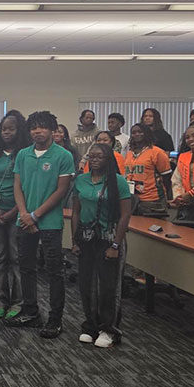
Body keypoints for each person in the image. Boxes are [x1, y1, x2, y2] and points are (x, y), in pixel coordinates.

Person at [6, 110, 74, 339]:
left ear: (53, 130)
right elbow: (17, 186)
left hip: (50, 222)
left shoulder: (63, 156)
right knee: (26, 267)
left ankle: (55, 319)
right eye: (34, 127)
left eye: (42, 127)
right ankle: (31, 311)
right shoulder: (24, 154)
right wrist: (25, 214)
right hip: (24, 220)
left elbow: (61, 190)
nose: (37, 131)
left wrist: (35, 215)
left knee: (54, 271)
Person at [70, 143, 132, 349]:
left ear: (108, 160)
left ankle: (109, 329)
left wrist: (115, 245)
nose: (95, 159)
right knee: (87, 285)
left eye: (100, 157)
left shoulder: (118, 182)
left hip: (109, 239)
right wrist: (74, 240)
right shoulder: (81, 180)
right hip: (87, 238)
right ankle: (90, 326)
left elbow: (125, 215)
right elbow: (76, 212)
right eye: (92, 156)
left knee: (108, 287)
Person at [0, 111, 29, 320]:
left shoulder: (25, 154)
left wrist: (14, 211)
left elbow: (27, 187)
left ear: (20, 130)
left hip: (18, 212)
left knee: (17, 257)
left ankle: (19, 302)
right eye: (3, 129)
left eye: (11, 128)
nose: (7, 132)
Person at [123, 123, 172, 216]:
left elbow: (167, 177)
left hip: (152, 199)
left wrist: (168, 198)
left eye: (140, 132)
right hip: (132, 199)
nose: (136, 134)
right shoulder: (129, 154)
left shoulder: (157, 152)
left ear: (147, 133)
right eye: (133, 132)